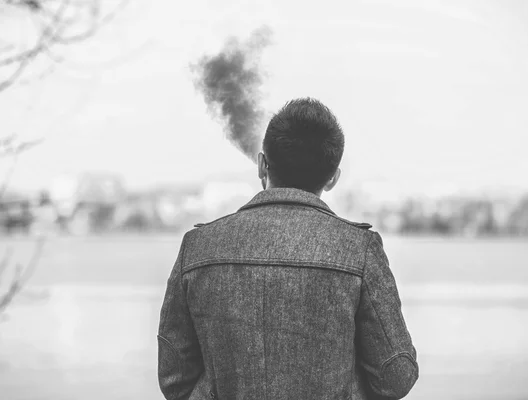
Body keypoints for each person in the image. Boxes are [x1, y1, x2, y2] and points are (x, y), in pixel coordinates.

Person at [157, 98, 418, 400]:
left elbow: (174, 378)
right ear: (333, 177)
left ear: (261, 165)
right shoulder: (359, 250)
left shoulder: (198, 247)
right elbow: (395, 377)